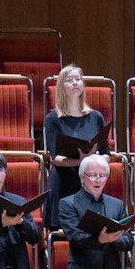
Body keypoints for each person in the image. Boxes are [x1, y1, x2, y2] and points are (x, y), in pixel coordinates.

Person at [56, 153, 131, 269]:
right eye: (93, 175)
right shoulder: (68, 203)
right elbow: (75, 237)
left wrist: (113, 240)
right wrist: (100, 240)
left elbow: (128, 240)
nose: (98, 180)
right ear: (82, 177)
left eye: (102, 175)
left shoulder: (116, 205)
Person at [43, 64, 108, 226]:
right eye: (70, 80)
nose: (75, 83)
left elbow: (106, 153)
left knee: (89, 231)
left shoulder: (96, 117)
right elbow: (55, 157)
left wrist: (93, 162)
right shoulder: (53, 119)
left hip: (90, 182)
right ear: (61, 87)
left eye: (78, 79)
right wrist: (81, 162)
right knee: (61, 234)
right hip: (63, 181)